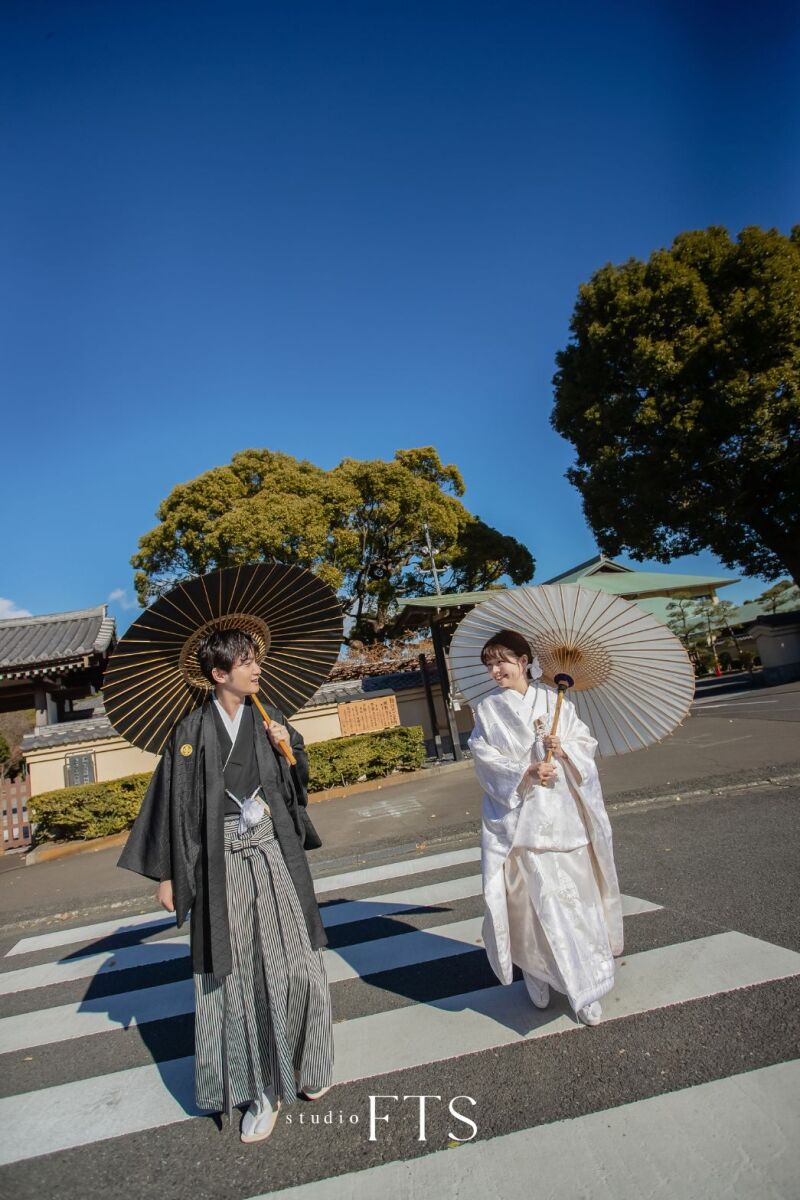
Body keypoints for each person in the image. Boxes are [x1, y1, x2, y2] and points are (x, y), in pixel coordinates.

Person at [119, 628, 333, 1143]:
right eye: (244, 662)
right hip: (223, 864)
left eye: (256, 659)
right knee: (236, 974)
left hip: (275, 853)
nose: (256, 669)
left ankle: (312, 1063)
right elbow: (173, 803)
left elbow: (297, 785)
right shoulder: (190, 730)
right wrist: (170, 872)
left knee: (300, 960)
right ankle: (260, 1090)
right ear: (219, 674)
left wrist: (290, 752)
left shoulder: (270, 718)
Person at [468, 629, 623, 1026]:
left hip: (564, 818)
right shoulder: (487, 710)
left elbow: (585, 745)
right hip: (523, 824)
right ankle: (537, 972)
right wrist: (526, 770)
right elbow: (484, 758)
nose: (495, 669)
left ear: (524, 661)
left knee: (578, 904)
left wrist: (564, 748)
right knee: (536, 908)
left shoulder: (556, 700)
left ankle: (585, 986)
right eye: (489, 664)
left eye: (502, 660)